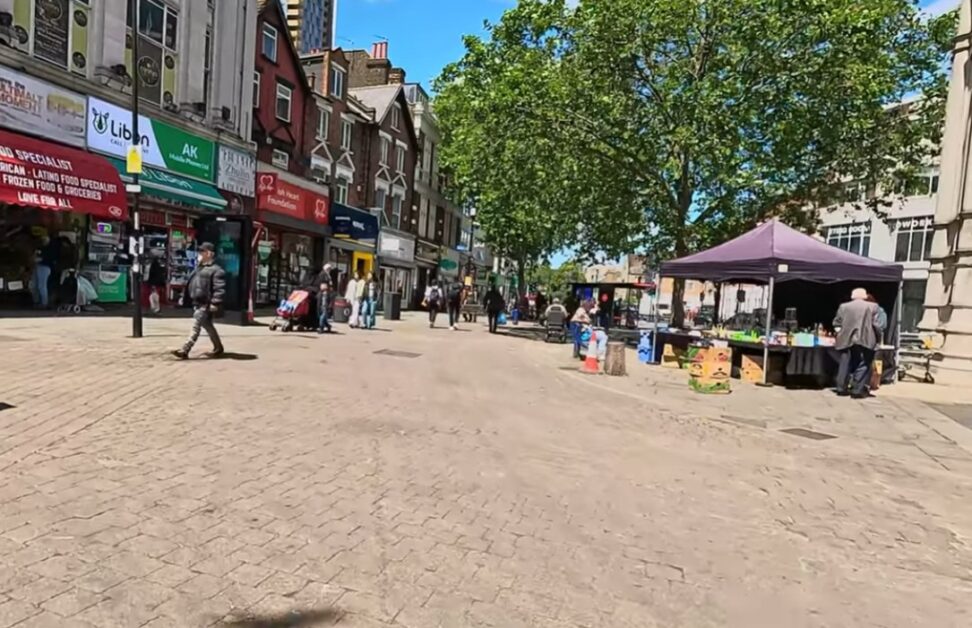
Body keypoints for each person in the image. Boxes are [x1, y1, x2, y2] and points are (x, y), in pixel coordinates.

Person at [172, 243, 225, 359]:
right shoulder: (199, 268)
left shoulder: (217, 270)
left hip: (206, 303)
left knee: (196, 325)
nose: (199, 255)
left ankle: (185, 349)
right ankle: (218, 347)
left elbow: (219, 288)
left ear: (209, 254)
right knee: (208, 325)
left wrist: (215, 303)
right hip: (197, 301)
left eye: (202, 252)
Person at [833, 288, 882, 399]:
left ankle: (841, 388)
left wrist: (840, 333)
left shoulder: (843, 307)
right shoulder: (873, 307)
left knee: (845, 363)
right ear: (864, 296)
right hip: (866, 338)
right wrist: (879, 338)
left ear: (852, 296)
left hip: (846, 339)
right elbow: (877, 325)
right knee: (864, 363)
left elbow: (836, 323)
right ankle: (857, 390)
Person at [31, 235, 57, 308]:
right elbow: (34, 256)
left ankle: (44, 303)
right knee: (34, 285)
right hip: (37, 266)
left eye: (45, 239)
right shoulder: (39, 247)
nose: (44, 240)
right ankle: (36, 301)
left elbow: (51, 259)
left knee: (41, 285)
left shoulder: (51, 249)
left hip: (45, 267)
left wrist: (41, 259)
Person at [314, 263, 333, 333]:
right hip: (323, 294)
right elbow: (323, 285)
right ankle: (323, 326)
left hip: (326, 294)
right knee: (323, 310)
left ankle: (325, 326)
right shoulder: (323, 275)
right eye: (329, 269)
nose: (330, 270)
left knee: (324, 310)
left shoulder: (328, 276)